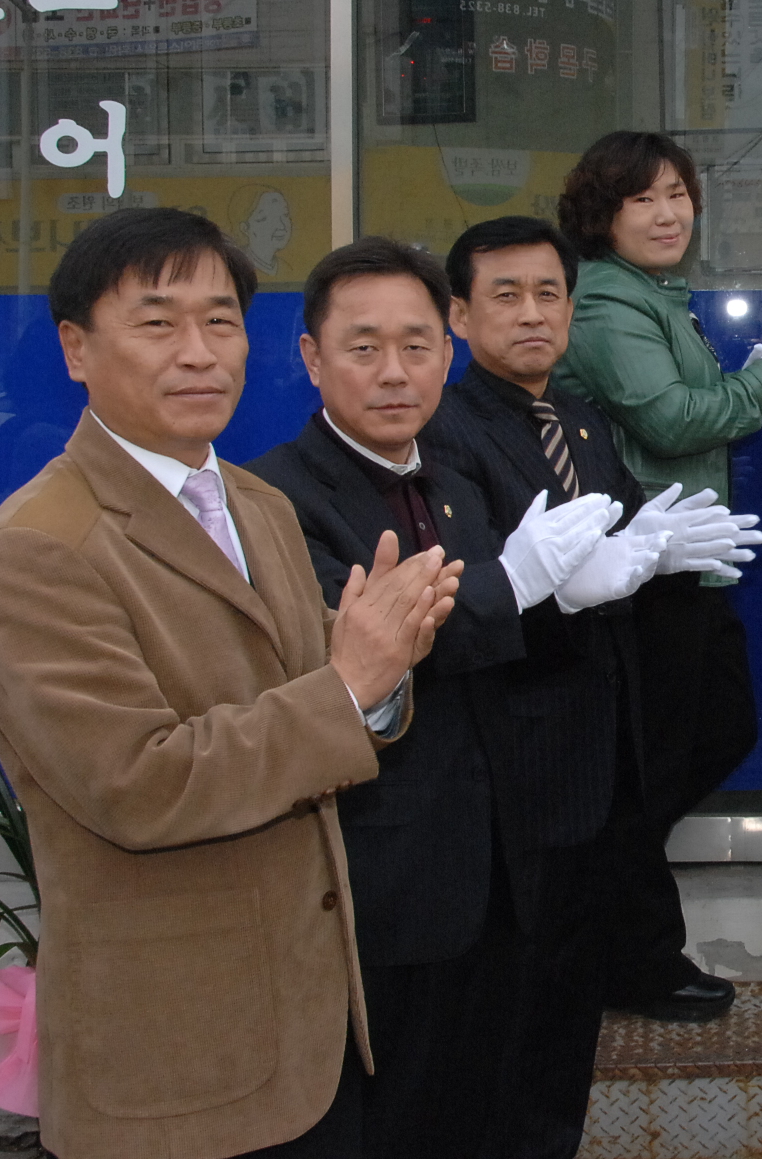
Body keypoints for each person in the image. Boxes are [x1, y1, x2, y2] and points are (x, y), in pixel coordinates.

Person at [0, 207, 463, 1159]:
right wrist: (350, 685)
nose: (199, 353)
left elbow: (316, 679)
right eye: (157, 323)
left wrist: (384, 663)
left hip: (310, 1030)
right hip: (177, 1053)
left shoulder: (254, 502)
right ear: (76, 348)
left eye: (221, 321)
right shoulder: (43, 546)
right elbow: (138, 784)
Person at [246, 239, 627, 1157]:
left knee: (490, 1093)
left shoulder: (453, 481)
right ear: (310, 357)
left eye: (417, 347)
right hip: (383, 876)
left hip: (499, 861)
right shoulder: (276, 499)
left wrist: (585, 582)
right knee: (395, 1115)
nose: (393, 373)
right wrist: (517, 586)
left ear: (447, 353)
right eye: (363, 347)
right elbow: (379, 642)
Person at [420, 214, 759, 1159]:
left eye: (550, 295)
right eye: (506, 295)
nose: (533, 315)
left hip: (598, 746)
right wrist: (548, 588)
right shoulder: (445, 432)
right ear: (458, 312)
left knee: (567, 998)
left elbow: (617, 538)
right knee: (516, 1002)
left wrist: (655, 549)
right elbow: (469, 602)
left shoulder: (577, 418)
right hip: (515, 764)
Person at [552, 130, 762, 1021]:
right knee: (652, 770)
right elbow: (674, 420)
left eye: (679, 193)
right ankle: (635, 957)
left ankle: (596, 878)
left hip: (688, 561)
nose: (670, 212)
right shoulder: (605, 303)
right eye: (645, 198)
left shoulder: (652, 297)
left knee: (710, 737)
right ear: (603, 215)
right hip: (645, 568)